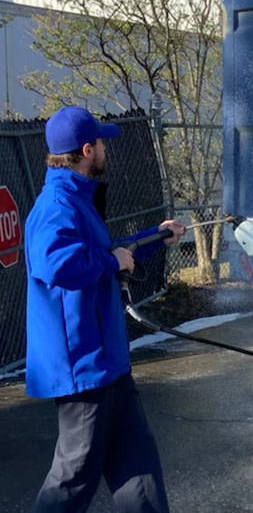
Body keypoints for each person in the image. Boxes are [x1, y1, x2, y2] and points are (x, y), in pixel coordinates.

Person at [24, 105, 187, 513]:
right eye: (100, 143)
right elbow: (55, 264)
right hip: (84, 370)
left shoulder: (76, 199)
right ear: (86, 150)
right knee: (73, 478)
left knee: (137, 465)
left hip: (108, 363)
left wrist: (155, 238)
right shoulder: (57, 205)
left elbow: (103, 253)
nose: (105, 149)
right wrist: (113, 261)